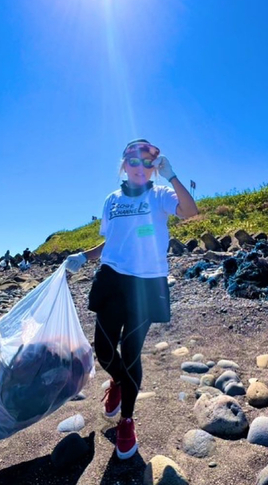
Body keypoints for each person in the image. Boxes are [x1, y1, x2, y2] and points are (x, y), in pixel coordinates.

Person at [65, 139, 198, 460]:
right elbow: (111, 241)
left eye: (148, 163)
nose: (141, 168)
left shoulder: (160, 195)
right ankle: (119, 382)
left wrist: (173, 176)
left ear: (155, 167)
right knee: (104, 350)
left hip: (147, 282)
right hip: (111, 278)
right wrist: (84, 255)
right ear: (124, 165)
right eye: (134, 162)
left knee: (131, 351)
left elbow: (190, 213)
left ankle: (127, 419)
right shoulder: (111, 201)